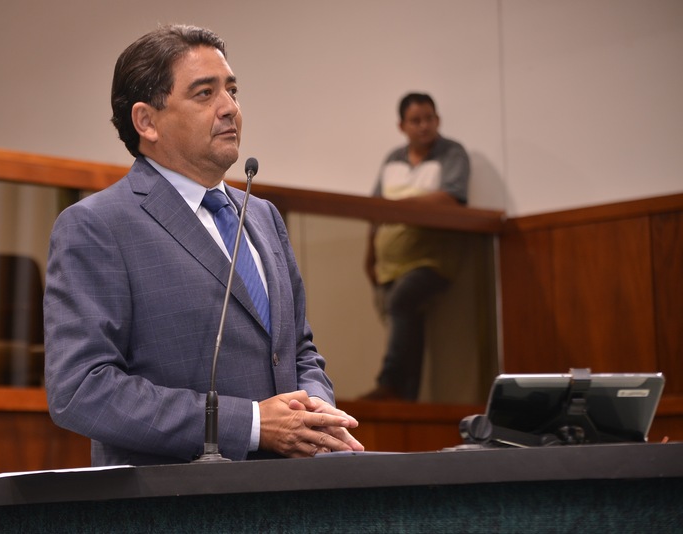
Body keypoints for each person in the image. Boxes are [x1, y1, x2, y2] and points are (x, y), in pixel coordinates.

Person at [43, 24, 364, 466]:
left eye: (232, 90)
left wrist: (314, 412)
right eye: (204, 93)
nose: (230, 108)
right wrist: (251, 424)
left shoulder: (262, 216)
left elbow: (298, 350)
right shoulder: (98, 226)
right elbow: (82, 389)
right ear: (146, 121)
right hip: (177, 496)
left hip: (288, 490)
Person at [360, 93, 470, 402]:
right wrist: (369, 256)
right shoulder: (392, 159)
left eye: (429, 119)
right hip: (390, 264)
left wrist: (400, 205)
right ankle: (407, 399)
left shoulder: (452, 153)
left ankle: (388, 384)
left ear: (438, 120)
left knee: (402, 301)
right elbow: (375, 211)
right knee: (409, 320)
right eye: (416, 120)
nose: (424, 126)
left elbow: (452, 198)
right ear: (402, 126)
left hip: (432, 261)